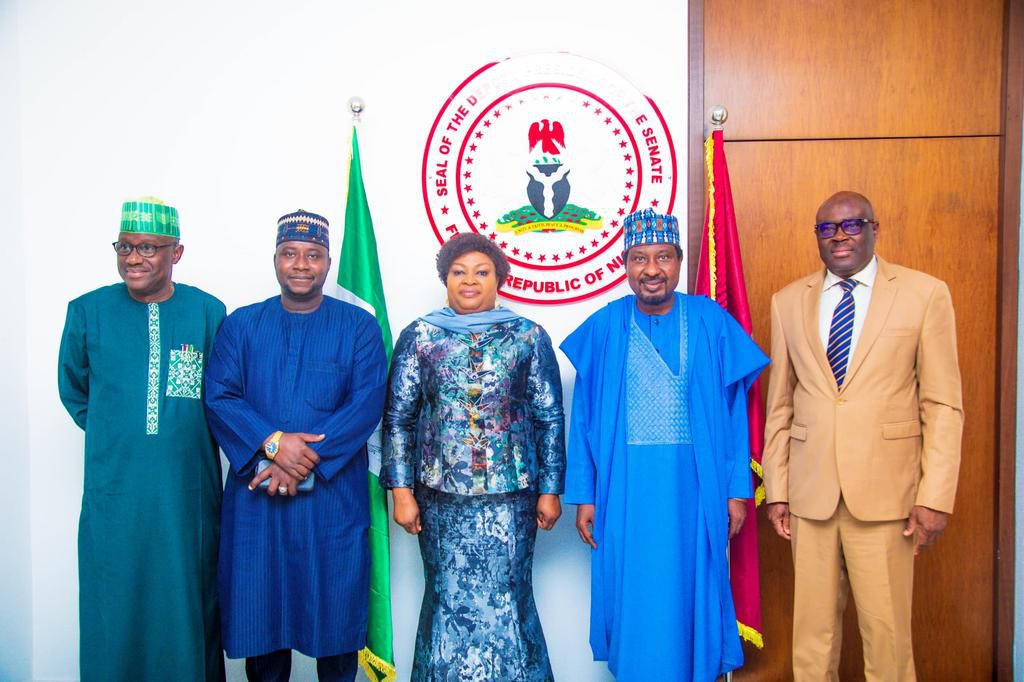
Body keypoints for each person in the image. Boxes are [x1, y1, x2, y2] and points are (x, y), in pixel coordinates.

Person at [762, 190, 963, 681]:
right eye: (827, 228)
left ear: (875, 227)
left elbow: (943, 404)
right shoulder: (788, 302)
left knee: (887, 637)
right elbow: (781, 404)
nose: (839, 236)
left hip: (888, 498)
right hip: (811, 499)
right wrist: (779, 489)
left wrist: (934, 496)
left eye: (852, 225)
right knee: (812, 640)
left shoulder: (923, 293)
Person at [562, 208, 768, 682]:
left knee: (691, 590)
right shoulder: (606, 326)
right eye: (639, 258)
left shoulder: (710, 321)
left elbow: (737, 412)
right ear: (624, 264)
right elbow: (585, 419)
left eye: (663, 257)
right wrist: (586, 494)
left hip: (695, 490)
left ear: (677, 262)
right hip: (626, 490)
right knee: (634, 593)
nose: (651, 269)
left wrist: (738, 487)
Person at [204, 209, 387, 681]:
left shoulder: (358, 326)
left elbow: (367, 403)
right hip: (257, 500)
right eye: (290, 254)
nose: (300, 264)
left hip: (332, 499)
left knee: (336, 618)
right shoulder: (241, 325)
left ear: (328, 263)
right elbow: (220, 396)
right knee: (261, 615)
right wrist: (272, 444)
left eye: (312, 255)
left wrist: (299, 459)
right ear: (275, 260)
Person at [381, 232, 565, 682]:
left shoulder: (527, 337)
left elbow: (550, 418)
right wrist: (401, 492)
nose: (469, 281)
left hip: (512, 499)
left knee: (511, 598)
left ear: (499, 278)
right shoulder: (420, 336)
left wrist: (551, 490)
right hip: (441, 501)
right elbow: (398, 419)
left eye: (481, 272)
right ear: (445, 278)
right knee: (445, 600)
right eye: (459, 272)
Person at [57, 197, 226, 681]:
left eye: (149, 247)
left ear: (177, 253)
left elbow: (224, 397)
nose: (134, 257)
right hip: (115, 496)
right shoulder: (87, 312)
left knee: (187, 604)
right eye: (125, 246)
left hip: (185, 497)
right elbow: (75, 390)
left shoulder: (208, 313)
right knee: (115, 604)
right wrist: (119, 432)